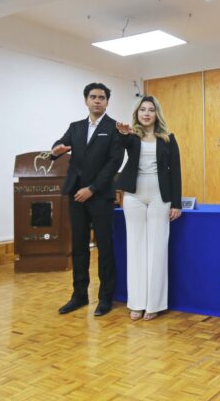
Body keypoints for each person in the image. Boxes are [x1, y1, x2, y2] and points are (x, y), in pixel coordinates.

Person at [52, 82, 123, 316]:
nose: (97, 101)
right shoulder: (76, 127)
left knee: (105, 247)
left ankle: (105, 298)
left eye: (102, 97)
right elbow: (59, 145)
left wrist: (92, 188)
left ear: (107, 102)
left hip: (100, 195)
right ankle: (79, 295)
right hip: (75, 194)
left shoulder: (114, 128)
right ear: (86, 100)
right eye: (93, 97)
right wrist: (56, 150)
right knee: (80, 246)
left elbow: (114, 163)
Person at [115, 96, 182, 321]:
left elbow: (175, 172)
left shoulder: (168, 139)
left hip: (159, 195)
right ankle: (136, 303)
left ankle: (153, 304)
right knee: (135, 248)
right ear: (137, 113)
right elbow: (122, 144)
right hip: (133, 195)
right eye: (142, 109)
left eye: (151, 110)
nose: (146, 113)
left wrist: (176, 203)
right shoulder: (131, 136)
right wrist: (123, 133)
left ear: (156, 114)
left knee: (157, 249)